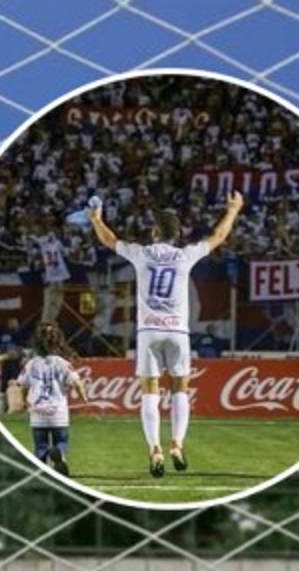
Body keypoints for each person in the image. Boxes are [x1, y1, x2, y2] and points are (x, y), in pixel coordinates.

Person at [87, 191, 243, 478]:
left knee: (150, 391)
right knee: (180, 388)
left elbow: (109, 240)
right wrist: (233, 209)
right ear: (177, 235)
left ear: (154, 233)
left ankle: (155, 449)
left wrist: (97, 220)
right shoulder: (185, 255)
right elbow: (219, 237)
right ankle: (177, 444)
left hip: (148, 330)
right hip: (177, 330)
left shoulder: (141, 253)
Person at [15, 323, 87, 476]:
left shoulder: (31, 363)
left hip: (38, 412)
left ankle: (41, 472)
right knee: (61, 441)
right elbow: (77, 382)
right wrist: (83, 397)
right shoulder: (62, 363)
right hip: (58, 413)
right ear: (58, 341)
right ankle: (59, 454)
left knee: (40, 446)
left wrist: (23, 401)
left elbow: (21, 385)